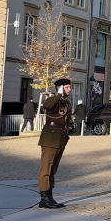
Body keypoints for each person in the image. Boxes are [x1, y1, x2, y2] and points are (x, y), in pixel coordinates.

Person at [37, 80, 72, 209]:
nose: (69, 90)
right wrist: (58, 94)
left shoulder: (65, 102)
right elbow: (47, 106)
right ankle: (44, 198)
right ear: (61, 88)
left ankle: (49, 197)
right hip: (50, 138)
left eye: (69, 87)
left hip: (60, 139)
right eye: (67, 87)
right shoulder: (53, 100)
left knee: (53, 169)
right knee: (46, 168)